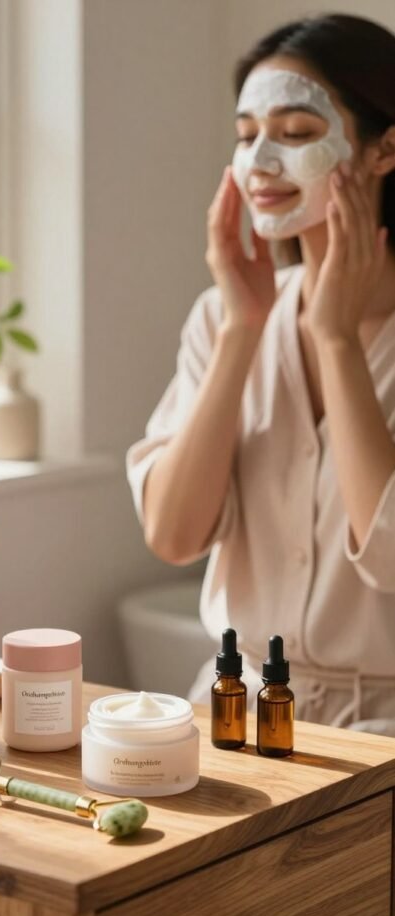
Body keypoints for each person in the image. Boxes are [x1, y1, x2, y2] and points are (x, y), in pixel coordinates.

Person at [127, 14, 395, 731]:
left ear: (384, 149)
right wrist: (241, 332)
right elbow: (173, 535)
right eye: (246, 137)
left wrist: (336, 341)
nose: (261, 163)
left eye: (297, 132)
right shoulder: (222, 316)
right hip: (232, 710)